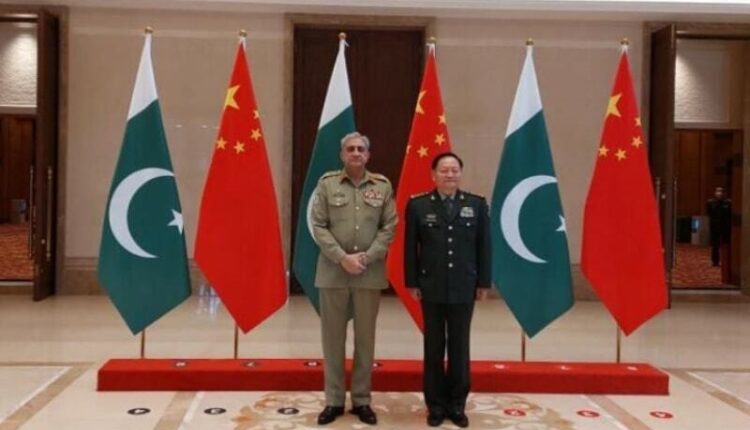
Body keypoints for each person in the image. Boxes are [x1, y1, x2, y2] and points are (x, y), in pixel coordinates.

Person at [310, 132, 397, 426]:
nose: (356, 153)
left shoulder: (382, 186)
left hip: (368, 274)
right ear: (342, 155)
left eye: (361, 149)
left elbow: (389, 226)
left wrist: (366, 257)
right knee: (332, 340)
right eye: (350, 149)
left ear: (368, 155)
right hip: (333, 272)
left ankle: (361, 400)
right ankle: (334, 400)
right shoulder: (327, 184)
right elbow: (318, 225)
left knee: (365, 340)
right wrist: (342, 257)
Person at [404, 152, 491, 428]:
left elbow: (484, 246)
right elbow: (410, 248)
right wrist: (412, 281)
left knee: (459, 346)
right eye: (444, 170)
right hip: (431, 285)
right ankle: (435, 405)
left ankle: (457, 404)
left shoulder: (476, 205)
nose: (450, 175)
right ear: (433, 175)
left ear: (460, 174)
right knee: (433, 346)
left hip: (464, 286)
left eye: (454, 170)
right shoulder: (418, 205)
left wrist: (483, 282)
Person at [706, 186, 731, 267]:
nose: (719, 193)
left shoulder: (728, 203)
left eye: (721, 191)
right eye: (717, 191)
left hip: (725, 227)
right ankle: (715, 261)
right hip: (714, 226)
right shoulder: (711, 202)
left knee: (726, 245)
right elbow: (709, 213)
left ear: (723, 193)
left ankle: (726, 261)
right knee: (715, 245)